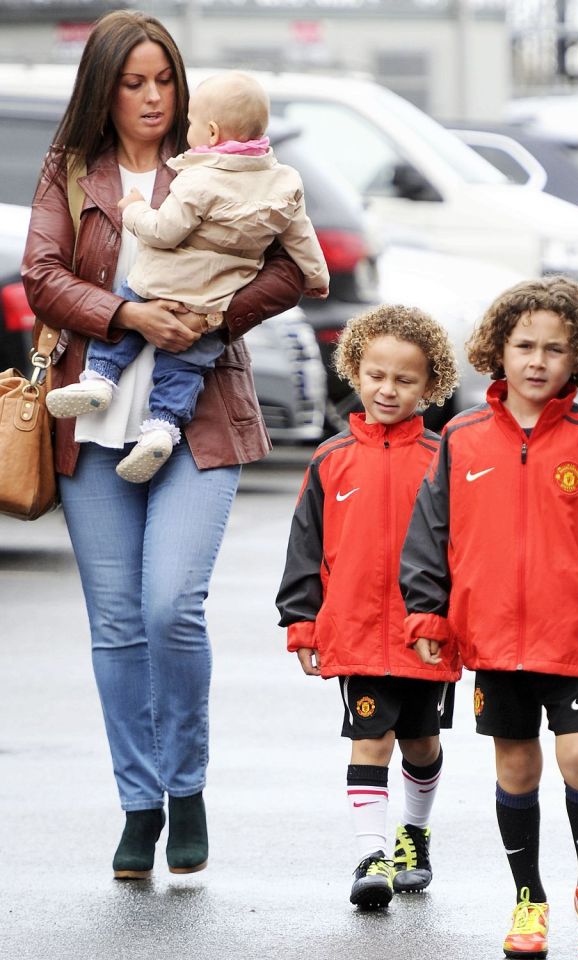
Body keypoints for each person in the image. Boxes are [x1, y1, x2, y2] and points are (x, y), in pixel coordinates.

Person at [22, 10, 306, 880]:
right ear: (102, 89)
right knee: (116, 627)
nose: (152, 98)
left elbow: (294, 269)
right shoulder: (72, 171)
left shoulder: (231, 163)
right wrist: (126, 314)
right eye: (133, 82)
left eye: (164, 81)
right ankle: (139, 807)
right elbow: (41, 275)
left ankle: (186, 787)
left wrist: (213, 317)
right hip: (92, 420)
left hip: (199, 416)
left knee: (168, 606)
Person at [400, 276, 578, 958]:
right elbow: (429, 532)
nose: (537, 361)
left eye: (555, 349)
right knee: (516, 769)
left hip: (573, 635)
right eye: (524, 345)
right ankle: (528, 899)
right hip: (492, 639)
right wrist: (426, 614)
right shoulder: (463, 437)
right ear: (498, 351)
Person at [45, 70, 329, 484]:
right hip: (213, 302)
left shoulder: (198, 179)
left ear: (211, 132)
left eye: (192, 119)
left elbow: (164, 230)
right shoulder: (283, 180)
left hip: (161, 282)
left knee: (130, 301)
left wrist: (135, 210)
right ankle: (162, 427)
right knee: (183, 369)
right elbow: (301, 236)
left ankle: (100, 380)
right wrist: (317, 276)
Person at [276, 304, 461, 909]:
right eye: (377, 375)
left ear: (430, 387)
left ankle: (414, 834)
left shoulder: (443, 459)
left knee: (421, 744)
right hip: (355, 631)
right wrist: (302, 620)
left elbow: (468, 547)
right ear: (354, 370)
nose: (388, 389)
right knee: (369, 738)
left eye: (405, 380)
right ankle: (371, 854)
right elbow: (305, 543)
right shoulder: (331, 459)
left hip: (425, 631)